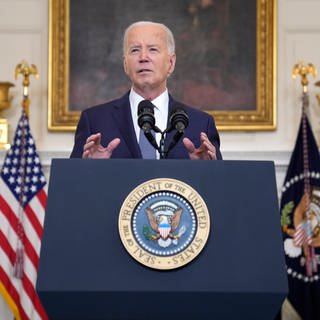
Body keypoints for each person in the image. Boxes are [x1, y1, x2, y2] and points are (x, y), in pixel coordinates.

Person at [70, 21, 222, 160]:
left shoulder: (201, 124)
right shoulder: (94, 121)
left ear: (171, 63)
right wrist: (90, 169)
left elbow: (219, 187)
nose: (143, 57)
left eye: (153, 49)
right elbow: (73, 185)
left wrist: (205, 170)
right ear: (125, 65)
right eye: (135, 50)